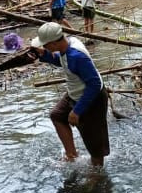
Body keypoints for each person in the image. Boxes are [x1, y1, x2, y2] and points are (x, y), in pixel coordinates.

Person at [30, 21, 110, 167]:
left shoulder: (77, 56)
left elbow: (94, 84)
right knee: (57, 115)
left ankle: (97, 174)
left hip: (92, 99)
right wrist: (44, 55)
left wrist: (76, 111)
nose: (44, 47)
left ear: (54, 43)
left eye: (45, 45)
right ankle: (71, 155)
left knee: (95, 146)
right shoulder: (67, 45)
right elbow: (63, 62)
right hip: (75, 92)